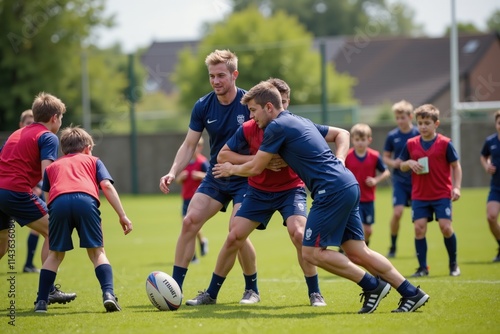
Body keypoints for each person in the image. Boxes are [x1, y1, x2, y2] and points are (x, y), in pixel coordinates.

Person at [212, 81, 429, 313]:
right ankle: (410, 292)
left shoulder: (277, 126)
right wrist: (341, 162)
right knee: (357, 251)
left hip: (331, 191)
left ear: (268, 107)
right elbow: (337, 134)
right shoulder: (300, 121)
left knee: (312, 252)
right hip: (347, 184)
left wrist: (231, 170)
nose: (251, 117)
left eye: (253, 110)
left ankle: (372, 285)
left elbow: (256, 167)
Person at [185, 78, 326, 307]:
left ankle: (315, 293)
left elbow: (337, 134)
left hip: (290, 190)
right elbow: (222, 155)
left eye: (252, 110)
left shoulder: (295, 126)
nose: (251, 115)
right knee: (234, 237)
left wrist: (337, 160)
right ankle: (211, 294)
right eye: (250, 110)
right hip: (258, 191)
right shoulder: (250, 127)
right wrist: (258, 161)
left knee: (299, 234)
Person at [159, 49, 260, 304]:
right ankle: (174, 290)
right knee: (189, 221)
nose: (215, 81)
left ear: (234, 75)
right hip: (216, 175)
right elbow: (189, 144)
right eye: (212, 76)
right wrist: (173, 172)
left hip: (245, 177)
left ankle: (252, 290)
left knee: (236, 232)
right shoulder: (203, 105)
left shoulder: (250, 104)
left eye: (221, 75)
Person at [34, 126, 133, 313]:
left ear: (63, 150)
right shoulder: (94, 161)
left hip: (58, 203)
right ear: (88, 148)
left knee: (54, 255)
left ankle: (41, 301)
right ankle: (109, 295)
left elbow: (47, 195)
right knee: (97, 253)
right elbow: (106, 186)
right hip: (86, 201)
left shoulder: (52, 167)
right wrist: (122, 215)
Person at [0, 92, 76, 305]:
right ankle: (49, 290)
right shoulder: (48, 137)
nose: (60, 123)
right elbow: (48, 174)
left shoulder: (17, 133)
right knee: (55, 231)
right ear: (54, 117)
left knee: (1, 248)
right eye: (60, 118)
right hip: (16, 192)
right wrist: (57, 203)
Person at [399, 104, 462, 277]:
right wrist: (409, 163)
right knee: (419, 228)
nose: (423, 126)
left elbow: (456, 167)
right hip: (419, 195)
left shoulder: (445, 143)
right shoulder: (411, 144)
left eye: (427, 122)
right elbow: (401, 165)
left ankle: (453, 264)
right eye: (420, 123)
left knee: (445, 227)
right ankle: (422, 268)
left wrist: (456, 187)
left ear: (436, 123)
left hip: (441, 193)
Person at [382, 100, 419, 258]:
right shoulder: (392, 136)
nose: (399, 121)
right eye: (397, 118)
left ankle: (419, 250)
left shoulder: (418, 133)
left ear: (410, 116)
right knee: (397, 213)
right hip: (400, 181)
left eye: (402, 117)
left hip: (418, 181)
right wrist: (394, 163)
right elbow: (386, 158)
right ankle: (393, 246)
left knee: (418, 217)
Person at [345, 123, 390, 246]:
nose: (360, 142)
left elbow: (386, 172)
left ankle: (364, 248)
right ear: (352, 140)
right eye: (357, 139)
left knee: (368, 230)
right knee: (356, 227)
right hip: (353, 199)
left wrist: (376, 180)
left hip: (368, 199)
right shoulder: (347, 156)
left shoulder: (374, 156)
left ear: (369, 140)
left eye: (363, 140)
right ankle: (350, 249)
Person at [176, 137, 209, 263]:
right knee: (186, 225)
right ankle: (201, 243)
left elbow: (211, 176)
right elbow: (178, 180)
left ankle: (193, 256)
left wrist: (200, 175)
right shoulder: (185, 162)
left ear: (200, 147)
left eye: (197, 146)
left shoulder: (202, 162)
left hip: (198, 199)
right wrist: (181, 177)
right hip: (186, 198)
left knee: (192, 227)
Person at [18, 109, 42, 273]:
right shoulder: (15, 142)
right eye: (28, 123)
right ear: (21, 125)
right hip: (16, 191)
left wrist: (38, 187)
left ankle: (28, 264)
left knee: (40, 228)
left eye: (34, 123)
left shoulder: (38, 142)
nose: (31, 126)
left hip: (31, 191)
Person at [479, 109, 500, 262]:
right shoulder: (490, 141)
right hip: (496, 187)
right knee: (491, 217)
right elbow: (483, 155)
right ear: (496, 124)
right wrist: (486, 165)